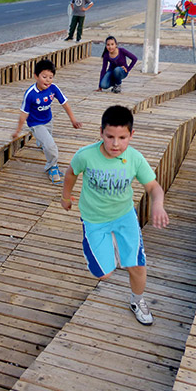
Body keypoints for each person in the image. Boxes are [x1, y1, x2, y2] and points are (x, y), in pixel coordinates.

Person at [60, 105, 169, 325]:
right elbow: (71, 173)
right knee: (104, 274)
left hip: (124, 216)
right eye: (110, 137)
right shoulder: (86, 155)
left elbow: (154, 187)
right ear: (101, 133)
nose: (116, 144)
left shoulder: (135, 158)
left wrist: (158, 204)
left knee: (137, 266)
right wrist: (66, 196)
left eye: (122, 137)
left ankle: (137, 300)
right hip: (94, 219)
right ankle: (100, 246)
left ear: (131, 135)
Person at [12, 59, 83, 184]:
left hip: (48, 120)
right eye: (44, 77)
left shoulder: (53, 89)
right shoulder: (30, 94)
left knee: (46, 139)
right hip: (35, 123)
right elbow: (24, 113)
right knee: (51, 146)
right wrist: (18, 130)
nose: (48, 80)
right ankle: (52, 167)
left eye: (51, 77)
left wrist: (73, 120)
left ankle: (41, 142)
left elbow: (65, 103)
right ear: (36, 76)